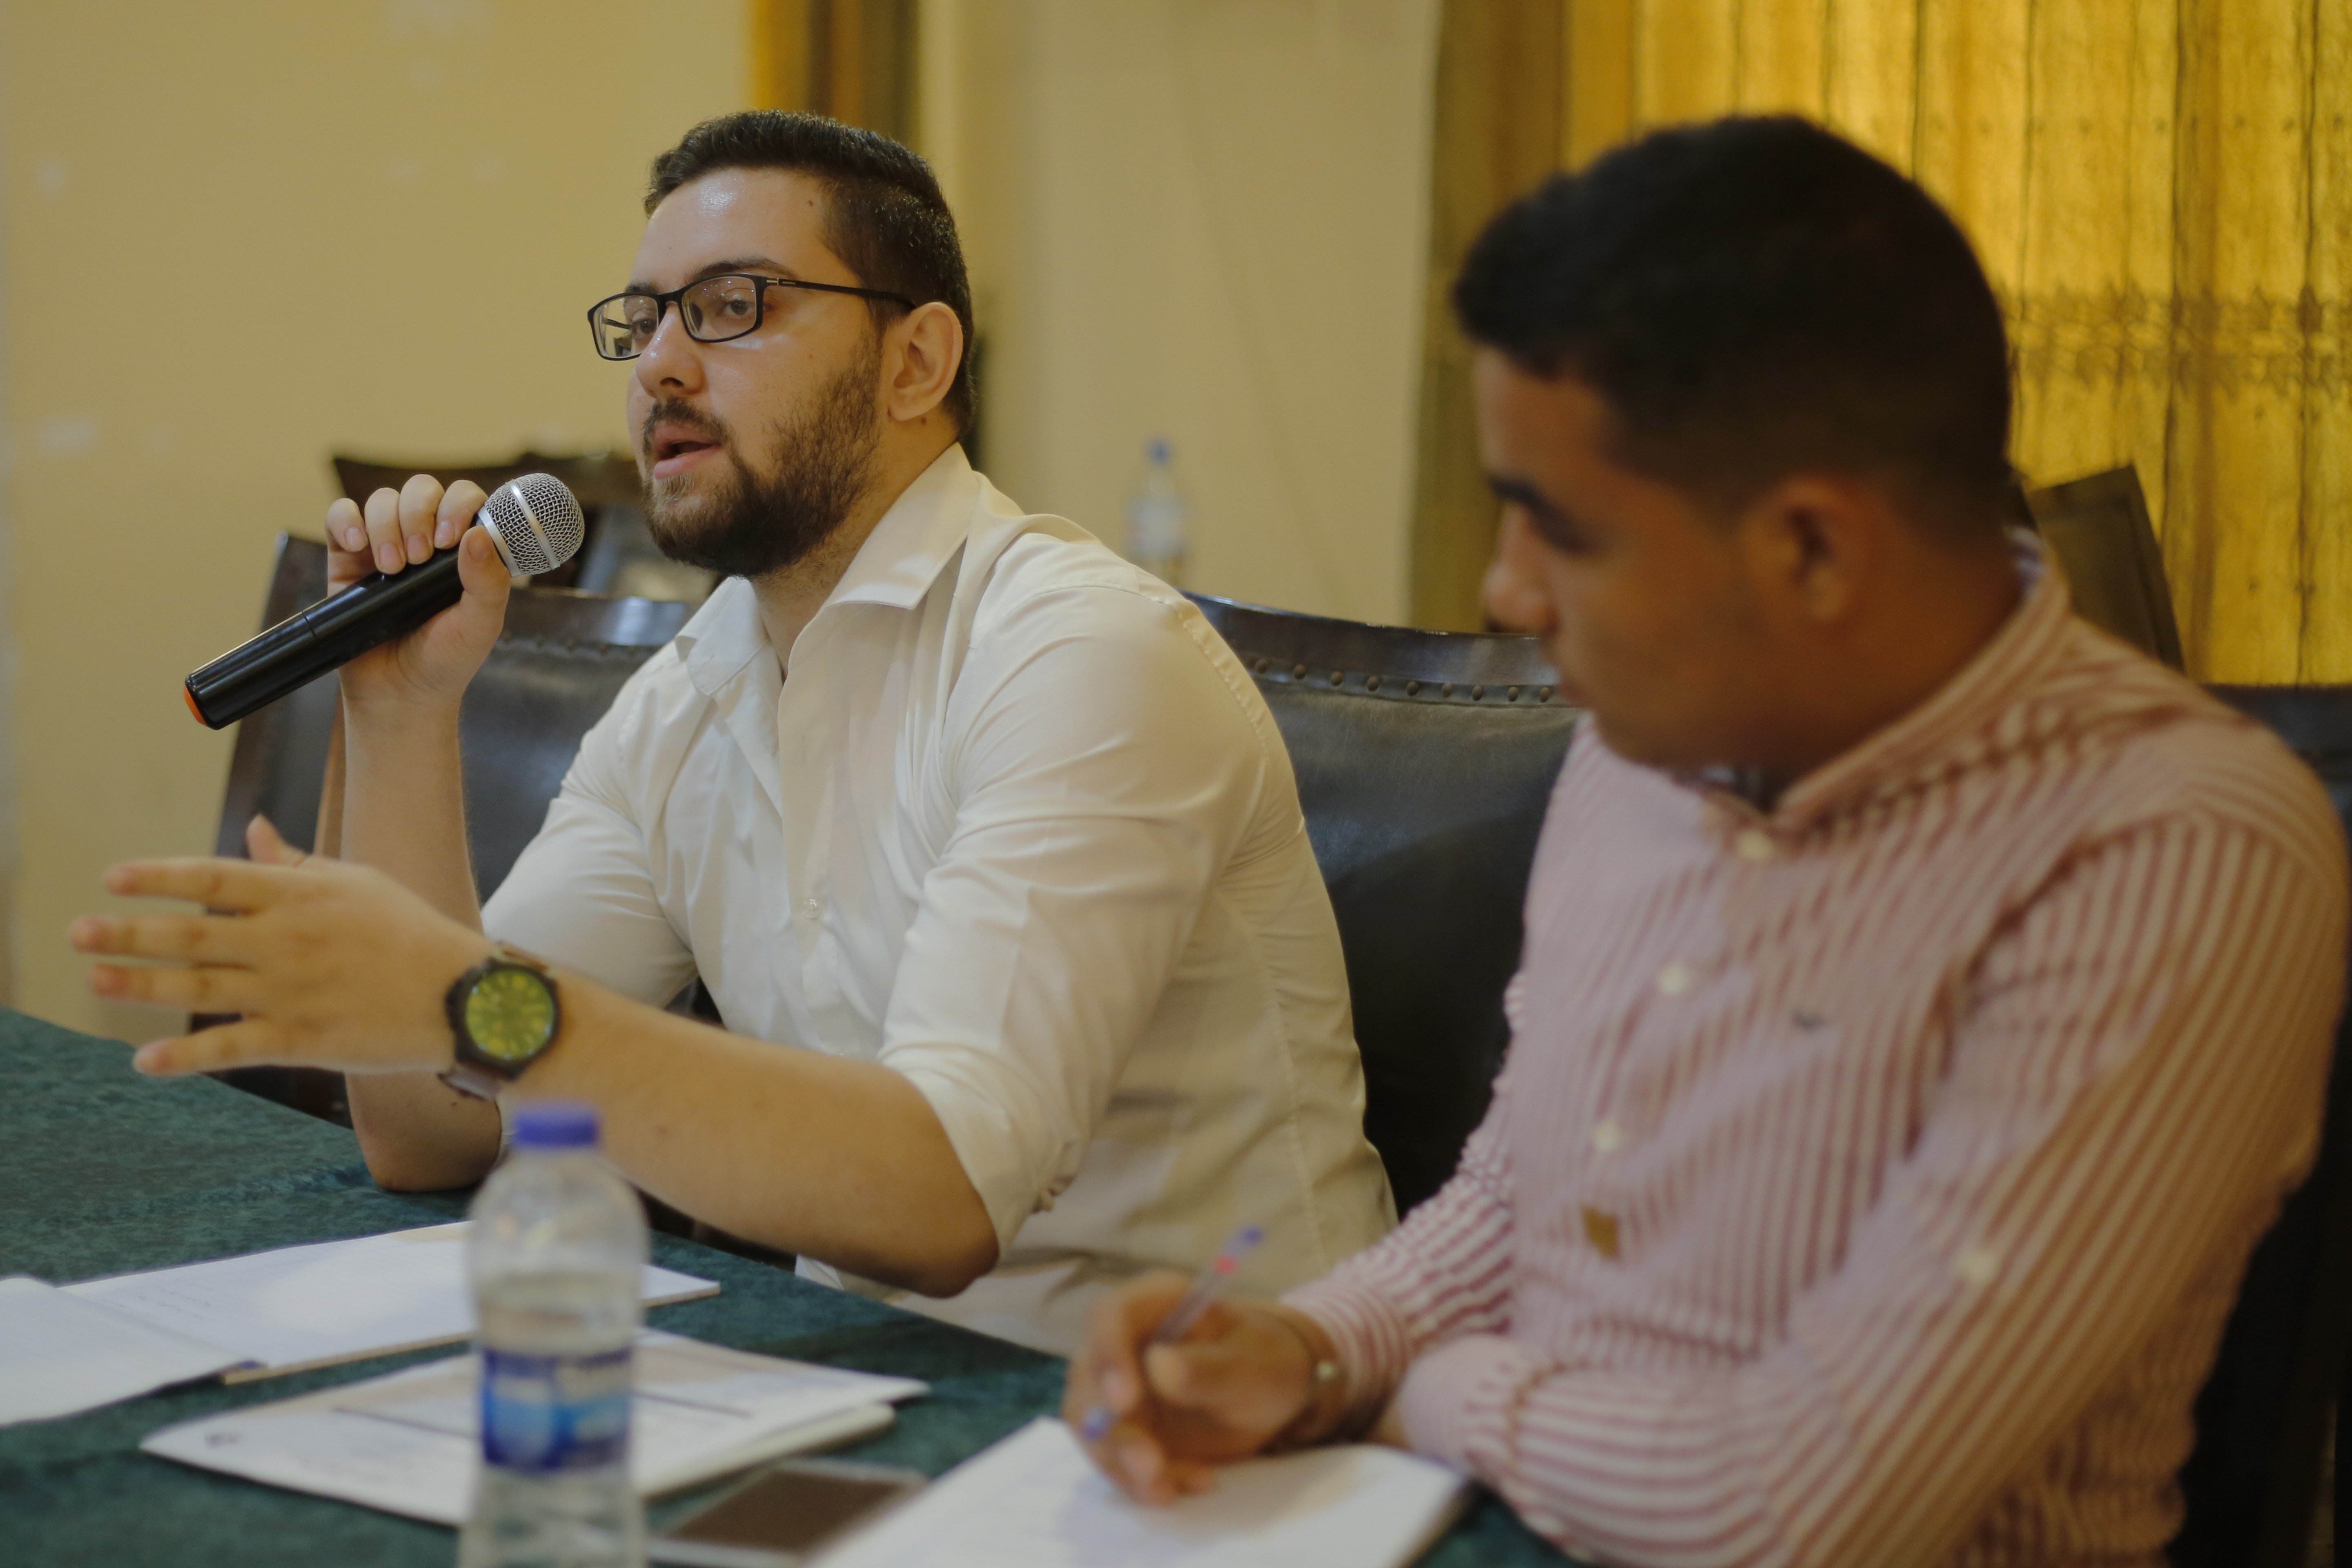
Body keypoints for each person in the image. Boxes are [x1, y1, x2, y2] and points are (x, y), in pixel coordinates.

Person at [1065, 116, 2349, 1566]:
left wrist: (1420, 1396)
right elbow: (1518, 1197)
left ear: (1813, 549)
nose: (1508, 594)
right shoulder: (1646, 741)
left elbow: (1802, 1507)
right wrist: (1304, 1352)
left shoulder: (2175, 853)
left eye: (1559, 530)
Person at [72, 111, 1393, 1356]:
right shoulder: (694, 689)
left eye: (732, 306)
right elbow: (436, 1128)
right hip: (868, 1386)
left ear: (916, 363)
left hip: (1209, 1419)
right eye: (644, 319)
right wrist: (403, 711)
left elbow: (939, 1196)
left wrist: (470, 1004)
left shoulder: (1080, 654)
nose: (659, 364)